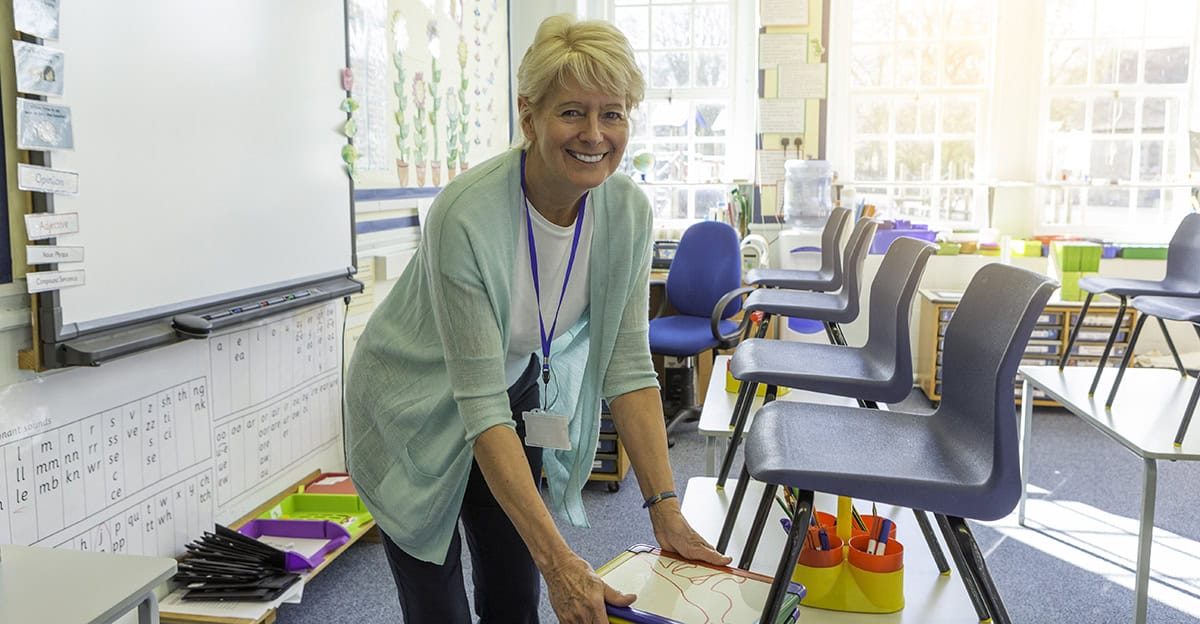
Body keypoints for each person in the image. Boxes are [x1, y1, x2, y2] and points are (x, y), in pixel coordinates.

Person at [344, 13, 730, 624]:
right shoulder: (466, 217)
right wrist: (563, 565)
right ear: (529, 116)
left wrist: (666, 510)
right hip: (411, 403)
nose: (595, 134)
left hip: (508, 386)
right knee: (437, 603)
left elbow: (628, 367)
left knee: (514, 584)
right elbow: (478, 401)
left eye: (614, 113)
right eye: (572, 111)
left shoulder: (626, 212)